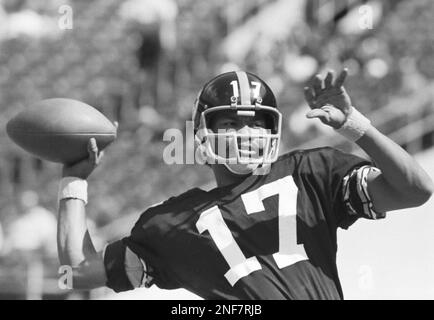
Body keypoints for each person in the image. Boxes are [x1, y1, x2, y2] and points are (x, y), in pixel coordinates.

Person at [57, 69, 433, 299]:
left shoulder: (311, 172)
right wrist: (74, 179)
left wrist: (356, 126)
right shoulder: (169, 223)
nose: (247, 133)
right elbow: (79, 271)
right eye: (231, 123)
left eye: (257, 123)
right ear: (203, 133)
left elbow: (416, 190)